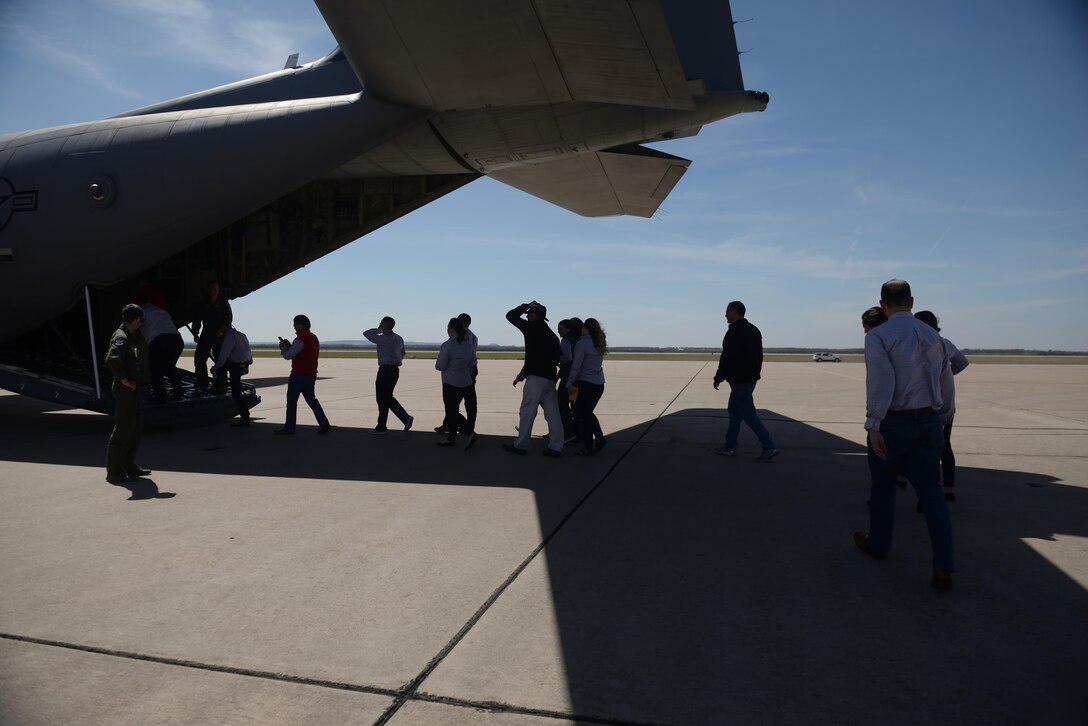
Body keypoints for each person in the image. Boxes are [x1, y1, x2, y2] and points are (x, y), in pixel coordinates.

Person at [854, 279, 954, 591]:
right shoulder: (934, 336)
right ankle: (943, 566)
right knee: (932, 494)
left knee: (883, 487)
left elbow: (881, 383)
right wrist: (942, 417)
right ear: (911, 301)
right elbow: (947, 380)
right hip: (928, 422)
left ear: (883, 304)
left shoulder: (879, 336)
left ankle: (880, 544)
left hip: (894, 424)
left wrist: (874, 424)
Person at [712, 301, 779, 461]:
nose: (725, 314)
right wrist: (756, 374)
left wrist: (718, 377)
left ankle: (769, 446)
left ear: (735, 311)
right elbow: (759, 356)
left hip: (740, 380)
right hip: (750, 378)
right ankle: (729, 446)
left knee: (748, 414)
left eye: (727, 311)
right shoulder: (754, 330)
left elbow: (727, 357)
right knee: (735, 412)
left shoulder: (734, 332)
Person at [914, 310, 969, 502]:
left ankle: (923, 489)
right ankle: (948, 488)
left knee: (922, 447)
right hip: (947, 404)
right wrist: (946, 374)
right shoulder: (945, 342)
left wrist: (939, 377)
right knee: (945, 445)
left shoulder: (923, 343)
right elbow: (962, 362)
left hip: (931, 406)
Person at [503, 301, 564, 457]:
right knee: (553, 414)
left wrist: (525, 305)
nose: (527, 316)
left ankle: (521, 444)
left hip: (536, 378)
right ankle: (556, 446)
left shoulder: (531, 328)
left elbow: (510, 316)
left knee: (527, 411)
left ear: (535, 316)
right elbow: (557, 358)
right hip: (550, 378)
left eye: (529, 314)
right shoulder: (552, 336)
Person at [105, 304, 151, 483]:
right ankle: (114, 472)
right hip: (125, 392)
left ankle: (129, 466)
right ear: (137, 319)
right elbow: (112, 359)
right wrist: (124, 379)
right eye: (141, 321)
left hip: (132, 392)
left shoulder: (129, 336)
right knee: (123, 429)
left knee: (135, 429)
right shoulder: (121, 337)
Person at [276, 314, 331, 435]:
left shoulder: (300, 339)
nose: (294, 327)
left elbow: (288, 355)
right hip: (311, 374)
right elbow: (302, 352)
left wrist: (284, 347)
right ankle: (324, 423)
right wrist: (290, 346)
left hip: (298, 375)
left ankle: (289, 427)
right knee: (311, 400)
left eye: (295, 324)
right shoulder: (313, 337)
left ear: (301, 325)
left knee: (291, 402)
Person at [363, 317, 413, 434]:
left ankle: (388, 424)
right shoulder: (399, 338)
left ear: (384, 325)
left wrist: (379, 330)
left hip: (385, 370)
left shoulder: (383, 338)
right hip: (395, 370)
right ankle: (385, 425)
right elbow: (403, 353)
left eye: (381, 323)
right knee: (386, 397)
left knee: (382, 398)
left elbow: (366, 333)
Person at [567, 317, 608, 456]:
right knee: (587, 413)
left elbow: (576, 367)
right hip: (598, 384)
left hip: (585, 384)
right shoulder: (599, 342)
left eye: (583, 327)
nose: (581, 330)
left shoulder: (582, 343)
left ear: (587, 329)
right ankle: (599, 439)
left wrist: (569, 382)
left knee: (583, 415)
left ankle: (588, 446)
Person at [435, 317, 478, 449]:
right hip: (466, 381)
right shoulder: (468, 345)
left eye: (448, 328)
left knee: (452, 411)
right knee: (459, 409)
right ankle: (451, 437)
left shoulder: (447, 345)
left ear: (452, 329)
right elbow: (471, 364)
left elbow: (440, 366)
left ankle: (468, 432)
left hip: (450, 382)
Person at [192, 280, 232, 391]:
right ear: (209, 290)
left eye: (216, 289)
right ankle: (202, 382)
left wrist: (222, 331)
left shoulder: (223, 303)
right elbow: (197, 319)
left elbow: (228, 319)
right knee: (199, 358)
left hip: (219, 335)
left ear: (219, 290)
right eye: (212, 289)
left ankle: (221, 383)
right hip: (206, 334)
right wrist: (195, 333)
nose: (214, 291)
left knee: (220, 360)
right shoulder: (204, 303)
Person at [140, 300, 183, 400]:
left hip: (160, 340)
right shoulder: (162, 312)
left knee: (155, 369)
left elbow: (133, 329)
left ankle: (159, 395)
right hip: (177, 340)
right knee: (168, 366)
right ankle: (178, 389)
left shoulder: (141, 313)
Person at [212, 326, 254, 426]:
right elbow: (248, 351)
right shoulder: (242, 335)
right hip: (243, 365)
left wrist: (216, 367)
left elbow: (224, 354)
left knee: (236, 392)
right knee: (237, 390)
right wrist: (247, 364)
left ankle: (245, 418)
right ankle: (245, 415)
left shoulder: (229, 336)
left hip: (235, 366)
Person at [556, 317, 583, 444]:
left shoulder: (566, 340)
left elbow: (567, 357)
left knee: (561, 404)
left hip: (568, 379)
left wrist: (556, 358)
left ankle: (569, 432)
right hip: (577, 379)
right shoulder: (578, 340)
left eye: (561, 329)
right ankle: (577, 433)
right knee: (574, 405)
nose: (559, 331)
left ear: (568, 329)